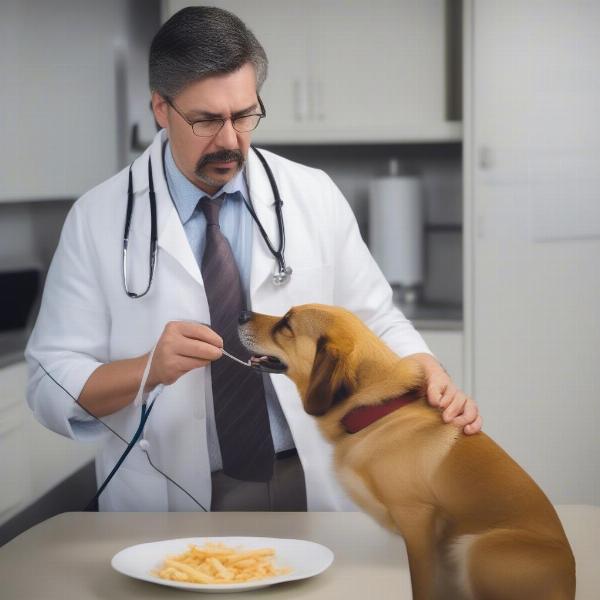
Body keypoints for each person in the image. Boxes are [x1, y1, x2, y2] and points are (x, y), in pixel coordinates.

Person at [25, 6, 481, 513]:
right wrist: (147, 369)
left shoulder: (312, 195)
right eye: (205, 120)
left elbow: (376, 320)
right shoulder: (97, 218)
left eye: (244, 116)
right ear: (160, 108)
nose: (229, 140)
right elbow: (50, 382)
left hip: (314, 480)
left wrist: (426, 369)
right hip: (168, 493)